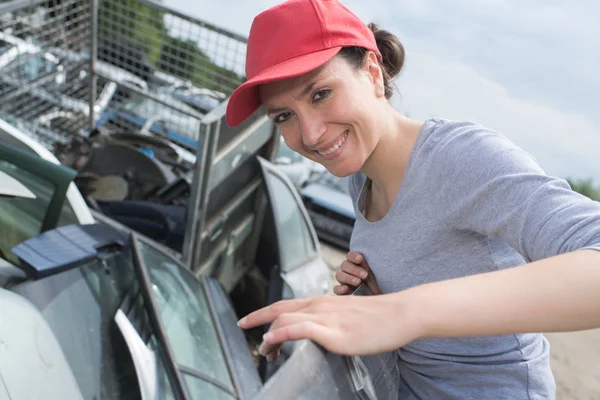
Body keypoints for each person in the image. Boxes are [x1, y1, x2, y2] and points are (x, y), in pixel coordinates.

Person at [225, 0, 600, 398]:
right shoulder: (361, 178)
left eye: (320, 94)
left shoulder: (461, 158)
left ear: (372, 73)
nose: (311, 134)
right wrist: (376, 294)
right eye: (284, 116)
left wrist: (400, 312)